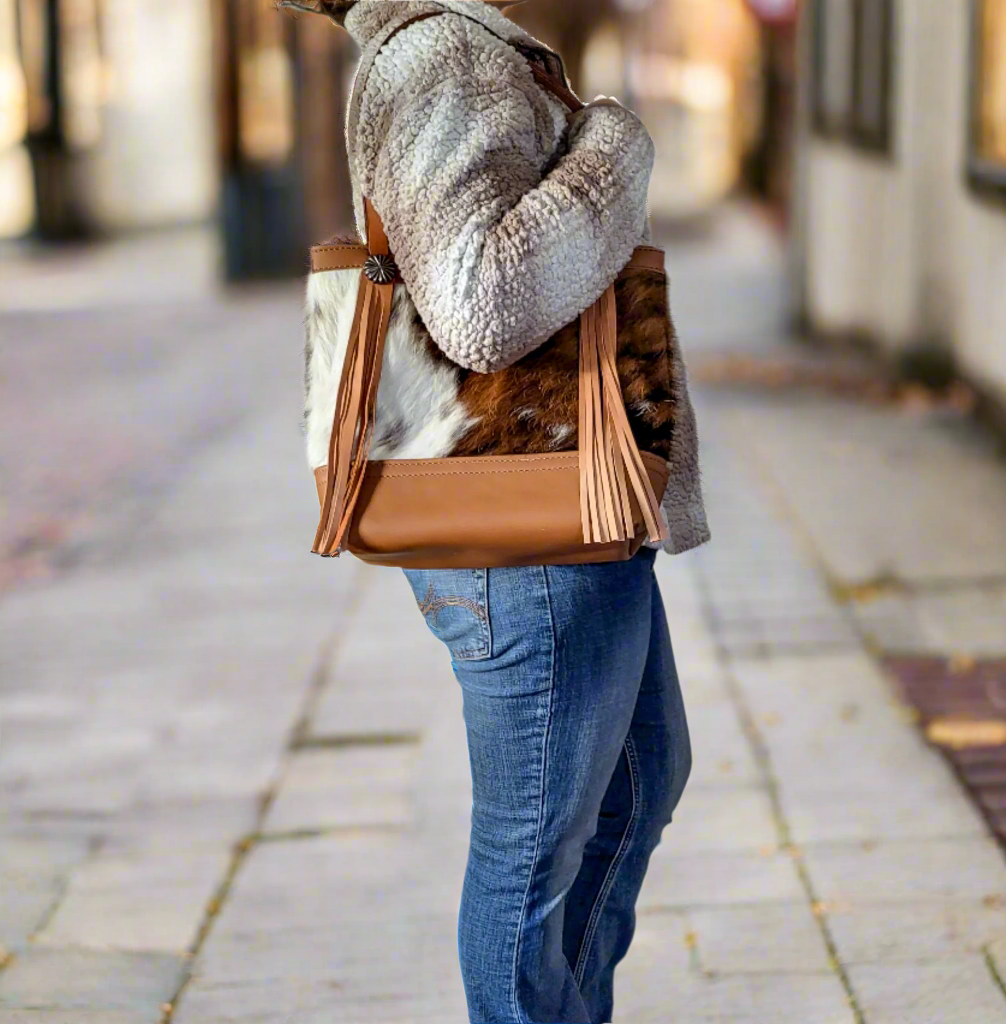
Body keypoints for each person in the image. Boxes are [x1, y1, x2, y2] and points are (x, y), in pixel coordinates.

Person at [286, 2, 709, 1021]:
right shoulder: (442, 57)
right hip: (526, 537)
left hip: (560, 518)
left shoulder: (461, 51)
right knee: (535, 850)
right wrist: (613, 146)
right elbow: (482, 304)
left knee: (639, 782)